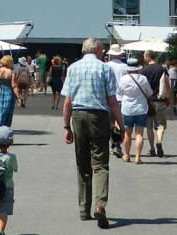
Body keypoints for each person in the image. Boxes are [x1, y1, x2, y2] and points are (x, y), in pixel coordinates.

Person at [62, 38, 123, 229]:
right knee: (100, 164)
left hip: (78, 116)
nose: (103, 52)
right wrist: (121, 124)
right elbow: (112, 101)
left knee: (83, 164)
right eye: (102, 50)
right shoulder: (105, 69)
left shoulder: (73, 68)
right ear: (96, 49)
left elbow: (67, 102)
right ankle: (100, 205)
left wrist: (66, 126)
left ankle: (83, 209)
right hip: (99, 117)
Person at [116, 58, 153, 164]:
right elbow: (149, 92)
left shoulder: (123, 79)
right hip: (141, 108)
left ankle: (127, 155)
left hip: (127, 108)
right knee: (139, 134)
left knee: (127, 133)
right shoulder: (143, 78)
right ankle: (138, 157)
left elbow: (119, 92)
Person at [140, 50, 171, 158]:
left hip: (148, 101)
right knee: (160, 125)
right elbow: (167, 83)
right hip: (159, 99)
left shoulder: (143, 70)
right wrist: (168, 98)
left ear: (148, 57)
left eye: (144, 56)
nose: (143, 58)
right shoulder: (162, 69)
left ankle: (152, 148)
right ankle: (159, 141)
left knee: (149, 126)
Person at [0, 55, 21, 129]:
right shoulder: (11, 73)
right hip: (8, 94)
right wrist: (18, 98)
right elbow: (14, 86)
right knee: (6, 114)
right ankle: (4, 133)